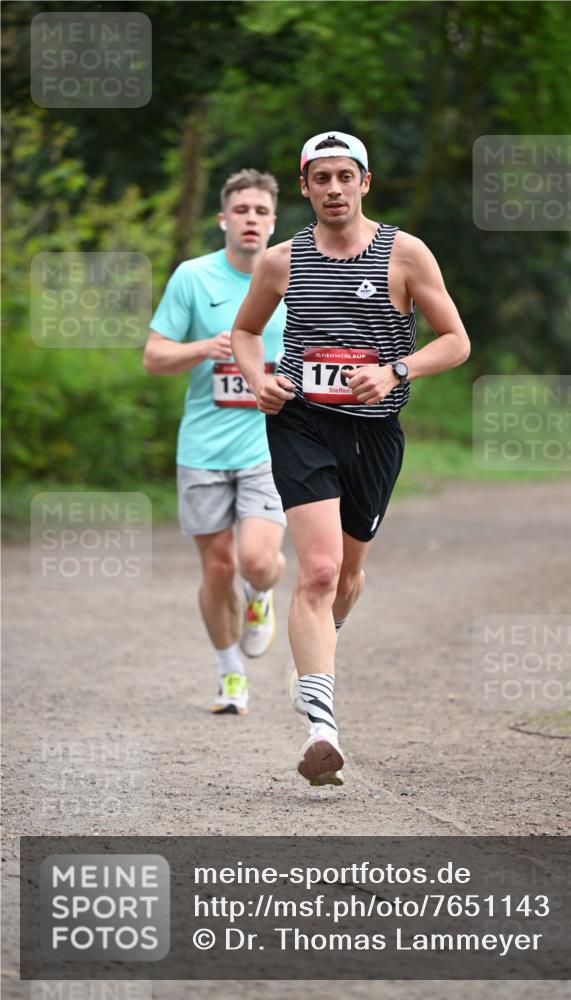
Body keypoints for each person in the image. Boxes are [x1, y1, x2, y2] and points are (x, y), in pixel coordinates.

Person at [231, 132, 470, 786]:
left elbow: (455, 341)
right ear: (304, 187)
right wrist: (257, 379)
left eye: (345, 176)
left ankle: (315, 653)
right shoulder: (281, 261)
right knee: (318, 571)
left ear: (365, 182)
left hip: (373, 433)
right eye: (321, 178)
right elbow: (245, 332)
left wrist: (396, 370)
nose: (333, 188)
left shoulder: (405, 253)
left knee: (347, 578)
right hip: (300, 422)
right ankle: (321, 729)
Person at [143, 169, 287, 716]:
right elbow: (154, 357)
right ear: (223, 219)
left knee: (257, 562)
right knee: (218, 568)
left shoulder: (294, 274)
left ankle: (261, 595)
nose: (251, 219)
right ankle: (231, 675)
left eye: (261, 211)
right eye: (241, 210)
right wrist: (204, 347)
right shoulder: (194, 277)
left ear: (273, 222)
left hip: (270, 443)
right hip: (203, 447)